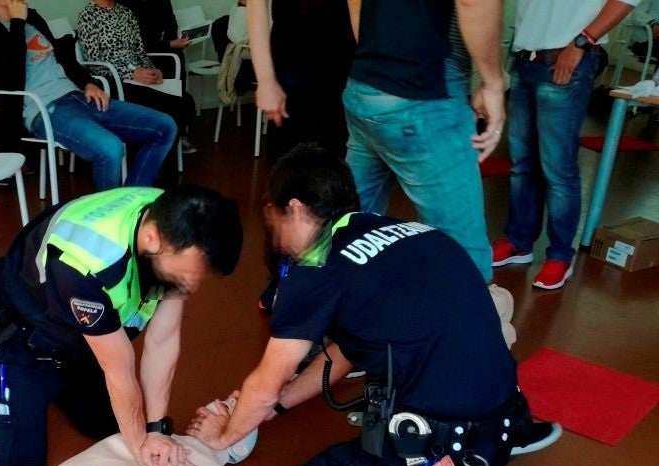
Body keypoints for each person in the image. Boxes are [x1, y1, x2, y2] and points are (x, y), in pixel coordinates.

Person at [187, 144, 576, 466]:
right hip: (501, 431)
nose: (275, 242)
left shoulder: (315, 264)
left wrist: (223, 435)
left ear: (297, 209)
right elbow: (346, 351)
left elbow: (266, 379)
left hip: (433, 444)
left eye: (274, 222)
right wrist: (272, 408)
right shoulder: (412, 233)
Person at [0, 185, 242, 466]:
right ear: (153, 238)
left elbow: (163, 340)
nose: (191, 286)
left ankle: (48, 392)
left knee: (111, 423)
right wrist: (142, 446)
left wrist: (156, 429)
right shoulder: (87, 262)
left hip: (81, 339)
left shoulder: (176, 219)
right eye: (185, 276)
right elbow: (119, 369)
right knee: (10, 459)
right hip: (24, 336)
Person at [339, 0, 505, 283]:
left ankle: (309, 307)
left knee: (346, 226)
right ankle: (466, 323)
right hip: (425, 91)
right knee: (463, 256)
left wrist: (376, 58)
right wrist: (493, 83)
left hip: (365, 86)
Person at [491, 0, 640, 291]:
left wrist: (584, 41)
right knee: (522, 165)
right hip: (524, 60)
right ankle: (519, 242)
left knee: (557, 167)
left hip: (567, 58)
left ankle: (560, 255)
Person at [0, 0, 177, 192]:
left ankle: (131, 201)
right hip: (45, 109)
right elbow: (10, 80)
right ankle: (110, 220)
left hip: (77, 96)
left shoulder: (32, 16)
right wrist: (17, 22)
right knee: (110, 148)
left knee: (164, 126)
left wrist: (88, 83)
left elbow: (64, 58)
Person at [76, 0, 197, 153]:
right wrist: (131, 73)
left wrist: (153, 70)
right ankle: (153, 158)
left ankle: (161, 155)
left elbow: (139, 52)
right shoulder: (88, 14)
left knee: (185, 101)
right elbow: (95, 64)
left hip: (137, 76)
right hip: (114, 79)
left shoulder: (126, 12)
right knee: (164, 105)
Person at [247, 0, 355, 161]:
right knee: (290, 162)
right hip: (291, 68)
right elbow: (255, 4)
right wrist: (265, 80)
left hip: (344, 66)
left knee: (339, 158)